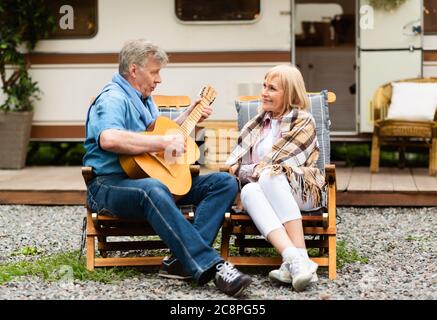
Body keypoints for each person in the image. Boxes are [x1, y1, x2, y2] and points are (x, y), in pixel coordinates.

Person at [83, 39, 251, 297]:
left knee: (224, 182)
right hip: (109, 184)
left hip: (148, 178)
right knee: (153, 188)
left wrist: (188, 115)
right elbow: (109, 139)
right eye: (154, 72)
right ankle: (211, 265)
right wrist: (162, 141)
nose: (159, 79)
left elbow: (157, 136)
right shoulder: (113, 98)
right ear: (134, 70)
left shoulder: (143, 98)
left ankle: (180, 262)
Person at [226, 64, 323, 292]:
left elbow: (279, 165)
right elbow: (231, 165)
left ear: (288, 93)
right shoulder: (255, 124)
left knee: (270, 175)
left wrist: (249, 170)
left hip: (303, 189)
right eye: (264, 86)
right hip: (265, 186)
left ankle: (297, 257)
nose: (264, 93)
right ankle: (296, 260)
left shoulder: (304, 121)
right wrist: (249, 170)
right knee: (249, 190)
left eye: (272, 88)